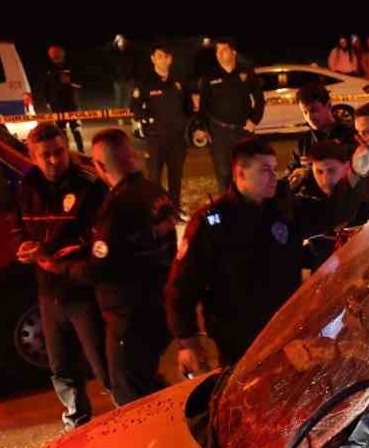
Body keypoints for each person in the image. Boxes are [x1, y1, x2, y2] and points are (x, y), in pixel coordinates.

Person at [167, 137, 310, 375]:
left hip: (288, 330)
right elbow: (182, 285)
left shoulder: (281, 208)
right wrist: (186, 341)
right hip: (241, 342)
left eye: (274, 169)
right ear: (240, 174)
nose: (274, 177)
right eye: (265, 170)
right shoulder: (212, 222)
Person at [55, 129, 177, 405]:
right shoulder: (154, 191)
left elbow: (99, 268)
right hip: (158, 304)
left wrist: (61, 267)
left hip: (129, 315)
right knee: (147, 382)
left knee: (130, 396)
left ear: (98, 166)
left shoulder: (118, 206)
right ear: (132, 155)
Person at [13, 122, 108, 429]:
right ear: (32, 156)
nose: (54, 160)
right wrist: (24, 245)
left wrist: (46, 251)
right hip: (48, 290)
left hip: (82, 288)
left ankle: (132, 412)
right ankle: (76, 422)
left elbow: (93, 235)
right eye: (46, 155)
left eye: (59, 152)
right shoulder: (27, 186)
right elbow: (18, 223)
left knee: (103, 363)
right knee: (61, 365)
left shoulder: (88, 185)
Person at [194, 37, 265, 192]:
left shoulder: (246, 71)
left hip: (243, 131)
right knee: (224, 174)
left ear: (233, 52)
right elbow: (203, 107)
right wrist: (200, 128)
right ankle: (227, 208)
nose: (219, 54)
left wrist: (254, 120)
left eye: (223, 50)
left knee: (248, 171)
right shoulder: (209, 76)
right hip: (220, 133)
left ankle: (249, 206)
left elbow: (259, 99)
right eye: (217, 51)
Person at [131, 44, 192, 208]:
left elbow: (189, 107)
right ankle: (156, 212)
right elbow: (135, 106)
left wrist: (186, 123)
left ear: (170, 59)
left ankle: (174, 210)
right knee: (154, 178)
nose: (163, 59)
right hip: (156, 138)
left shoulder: (179, 80)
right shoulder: (145, 81)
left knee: (176, 177)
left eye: (166, 56)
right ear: (152, 59)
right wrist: (147, 119)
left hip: (178, 139)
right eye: (159, 56)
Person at [287, 80, 357, 175]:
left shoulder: (349, 135)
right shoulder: (303, 142)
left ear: (328, 105)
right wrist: (294, 175)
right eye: (305, 112)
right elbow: (290, 172)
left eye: (314, 110)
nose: (309, 117)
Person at [39, 45, 85, 151]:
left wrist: (70, 81)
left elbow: (81, 83)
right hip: (56, 105)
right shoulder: (47, 68)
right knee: (61, 131)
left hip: (71, 103)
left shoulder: (72, 65)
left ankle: (81, 151)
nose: (55, 59)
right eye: (52, 57)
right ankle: (65, 151)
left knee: (76, 128)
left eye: (57, 56)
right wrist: (47, 102)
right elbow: (44, 87)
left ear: (63, 54)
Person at [104, 35, 138, 109]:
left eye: (122, 40)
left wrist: (133, 77)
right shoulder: (113, 52)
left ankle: (131, 116)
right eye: (119, 40)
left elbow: (134, 64)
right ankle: (119, 117)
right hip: (118, 80)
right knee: (119, 100)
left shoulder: (130, 51)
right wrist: (114, 42)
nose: (121, 42)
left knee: (130, 100)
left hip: (129, 80)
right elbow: (106, 51)